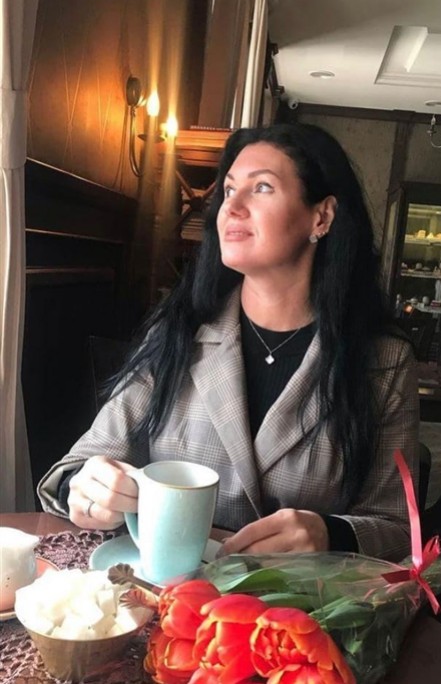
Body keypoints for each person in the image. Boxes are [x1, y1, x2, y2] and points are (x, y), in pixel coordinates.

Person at [38, 123, 419, 562]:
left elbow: (396, 527)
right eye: (229, 189)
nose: (230, 207)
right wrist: (86, 489)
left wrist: (330, 534)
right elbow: (80, 465)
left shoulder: (383, 360)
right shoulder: (180, 331)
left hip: (299, 599)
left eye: (261, 188)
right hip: (172, 591)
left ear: (322, 216)